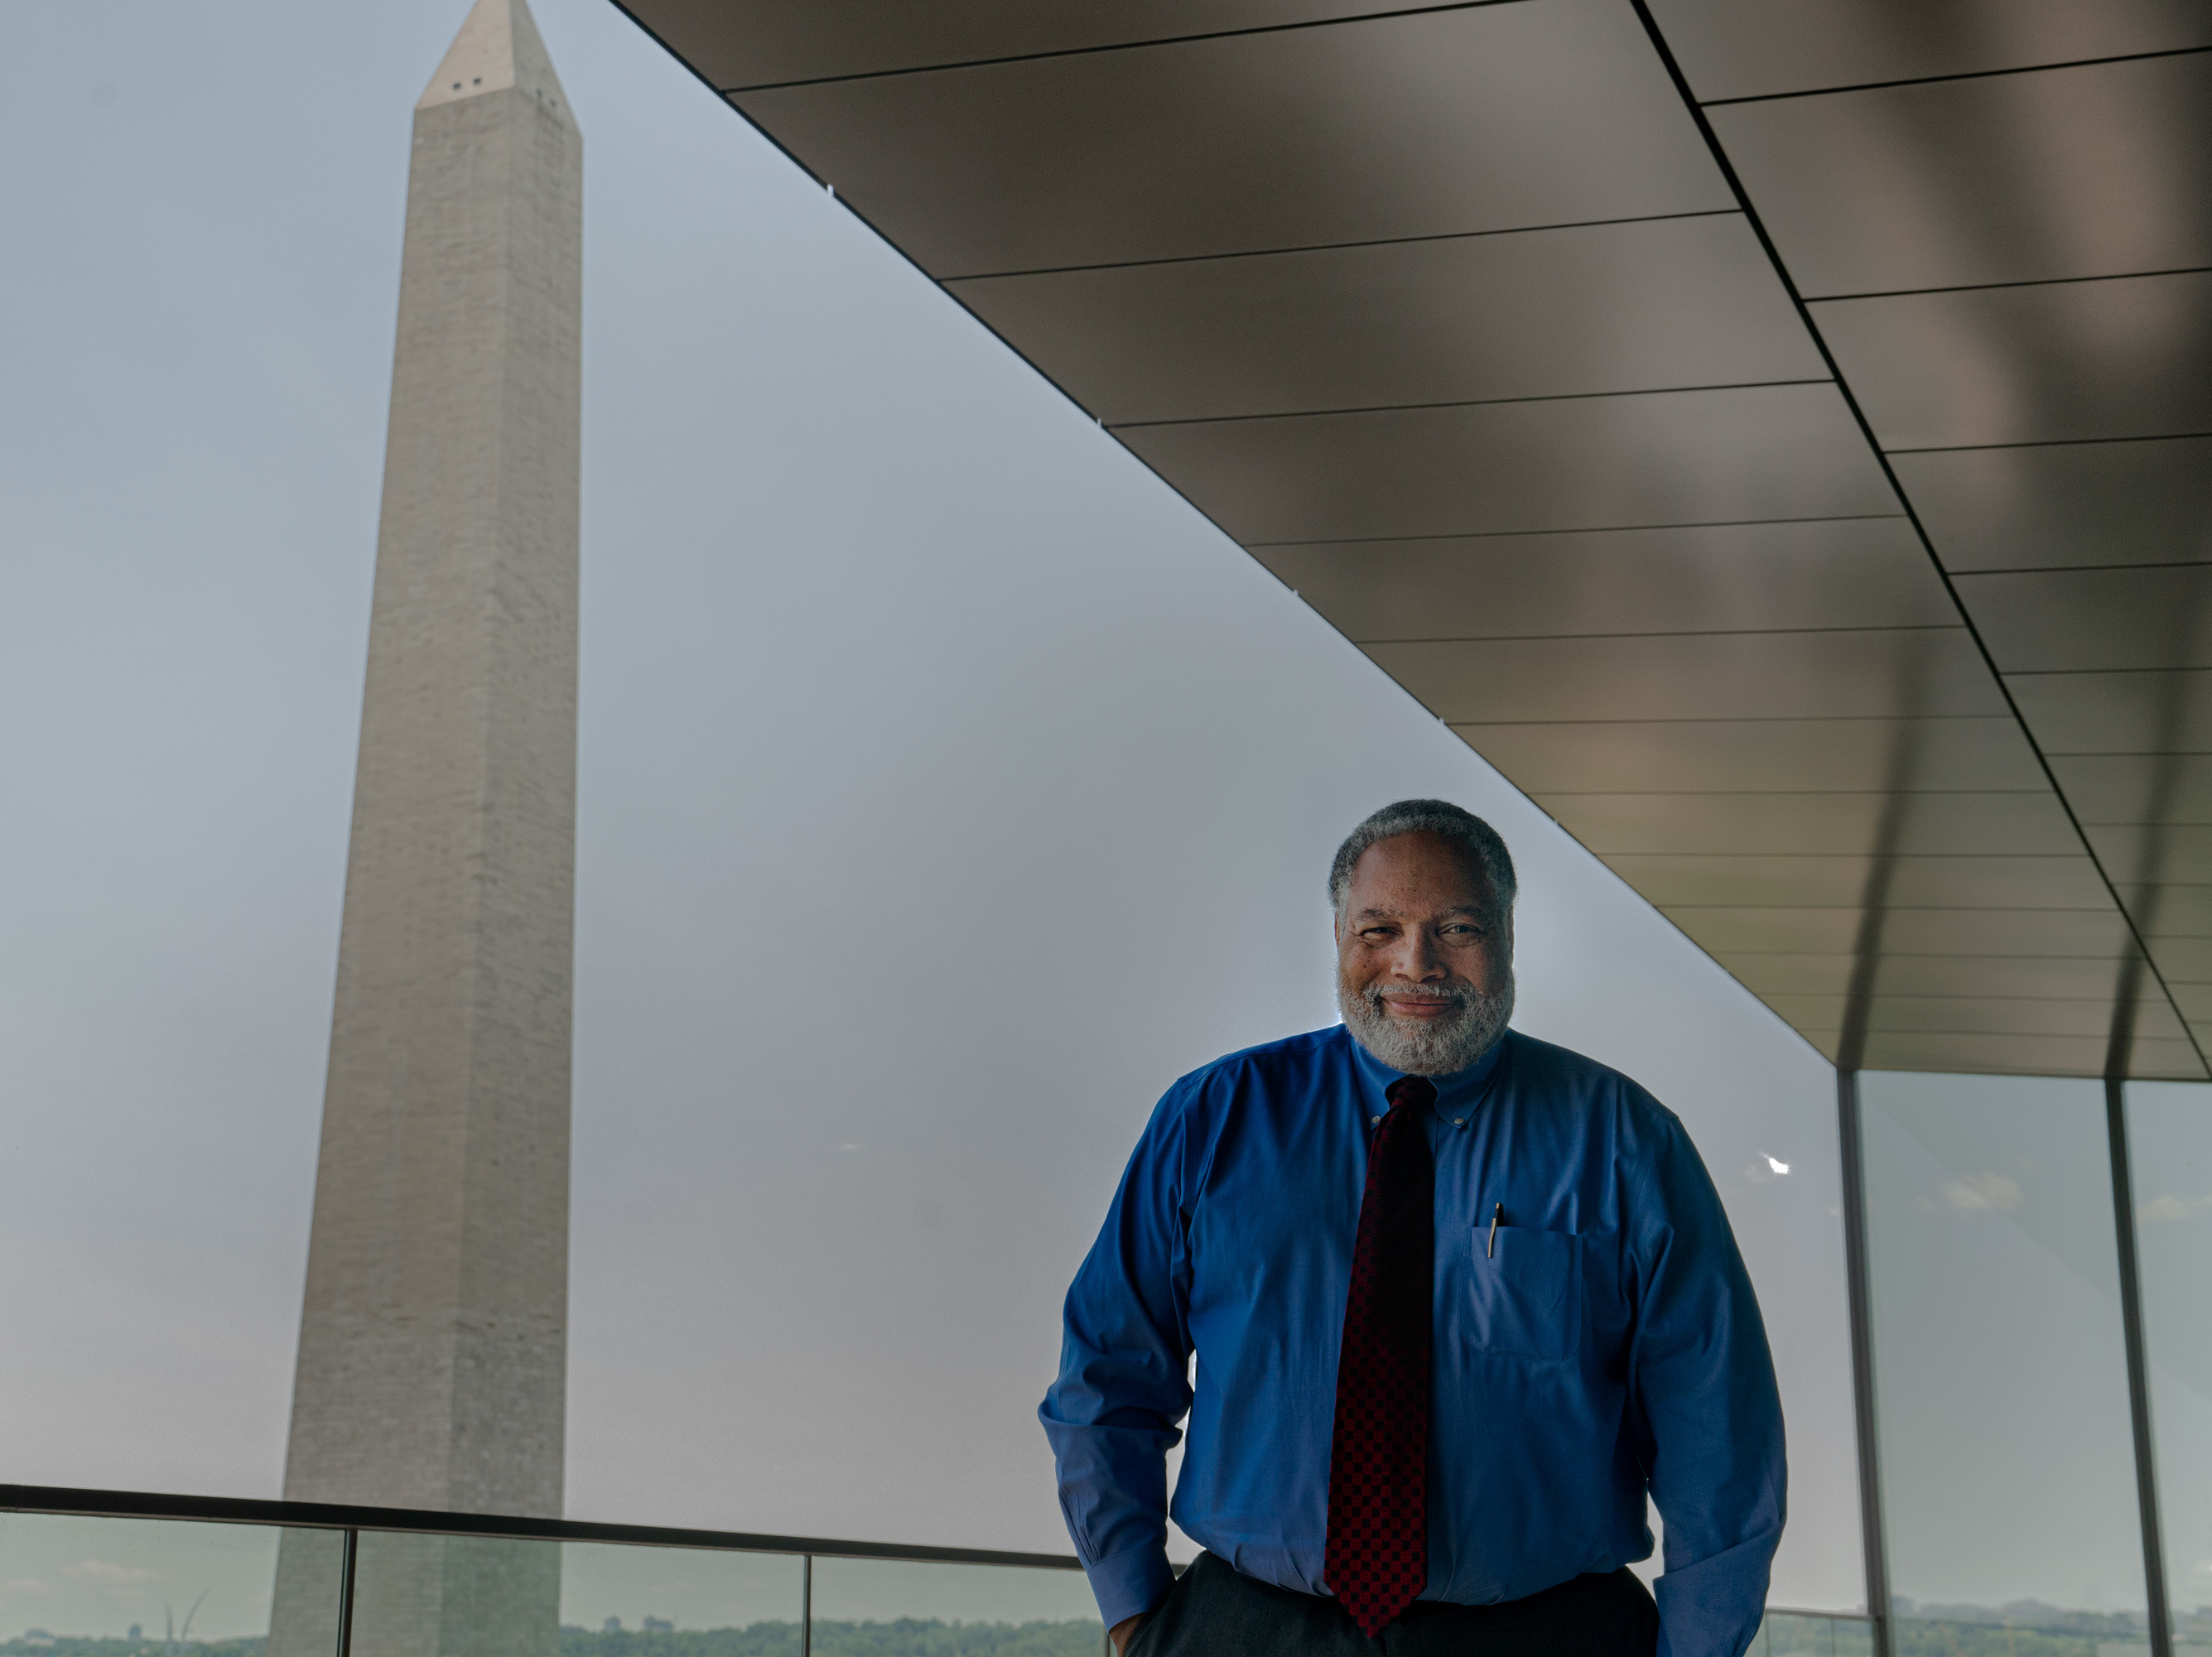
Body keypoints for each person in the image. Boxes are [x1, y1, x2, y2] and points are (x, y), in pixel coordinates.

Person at [1040, 800, 1784, 1656]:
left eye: (1456, 928)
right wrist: (1133, 1613)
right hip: (1243, 1628)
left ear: (1506, 933)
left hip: (1546, 1633)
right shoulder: (1212, 1117)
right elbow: (1104, 1378)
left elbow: (1718, 1432)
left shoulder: (1623, 1139)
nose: (1414, 962)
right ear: (1338, 938)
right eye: (1379, 929)